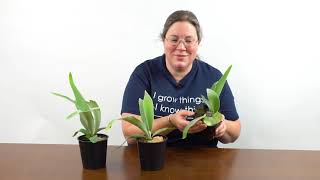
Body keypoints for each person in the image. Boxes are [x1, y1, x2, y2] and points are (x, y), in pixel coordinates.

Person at [121, 10, 241, 147]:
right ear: (163, 40)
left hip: (205, 160)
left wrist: (222, 126)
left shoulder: (213, 76)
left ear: (198, 43)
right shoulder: (144, 73)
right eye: (174, 40)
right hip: (155, 158)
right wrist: (170, 121)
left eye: (189, 41)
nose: (181, 47)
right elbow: (129, 134)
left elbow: (235, 132)